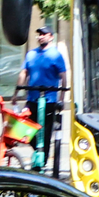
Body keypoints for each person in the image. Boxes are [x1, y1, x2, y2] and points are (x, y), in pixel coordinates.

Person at [24, 24, 69, 169]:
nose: (41, 36)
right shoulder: (31, 54)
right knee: (26, 129)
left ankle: (41, 162)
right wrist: (16, 93)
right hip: (32, 99)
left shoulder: (55, 55)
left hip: (49, 100)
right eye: (39, 34)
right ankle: (39, 152)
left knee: (46, 131)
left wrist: (62, 97)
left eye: (44, 34)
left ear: (51, 36)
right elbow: (24, 73)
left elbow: (63, 76)